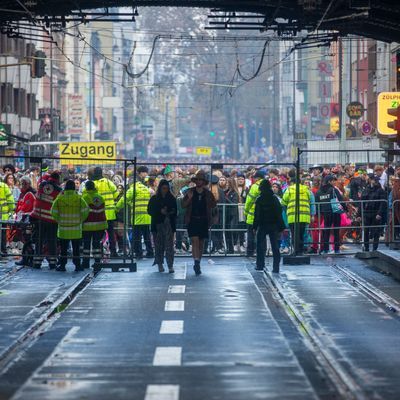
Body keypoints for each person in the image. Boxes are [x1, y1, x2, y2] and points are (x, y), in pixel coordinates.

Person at [182, 170, 217, 275]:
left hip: (204, 219)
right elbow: (183, 205)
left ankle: (198, 261)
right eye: (197, 179)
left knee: (201, 243)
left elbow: (213, 205)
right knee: (194, 241)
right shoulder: (190, 191)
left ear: (204, 181)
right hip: (192, 219)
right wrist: (190, 198)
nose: (198, 181)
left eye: (200, 180)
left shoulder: (208, 193)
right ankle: (196, 261)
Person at [51, 180, 89, 272]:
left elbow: (53, 211)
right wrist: (80, 220)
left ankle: (62, 265)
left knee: (63, 249)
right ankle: (77, 265)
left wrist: (59, 220)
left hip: (63, 228)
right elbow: (86, 210)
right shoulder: (79, 198)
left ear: (65, 187)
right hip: (76, 228)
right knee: (76, 249)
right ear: (74, 188)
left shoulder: (59, 199)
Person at [116, 169, 153, 259]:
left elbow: (123, 200)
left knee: (137, 237)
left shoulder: (132, 189)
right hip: (147, 217)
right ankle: (150, 252)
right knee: (147, 236)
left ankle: (139, 254)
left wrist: (116, 208)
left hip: (137, 218)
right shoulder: (145, 188)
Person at [30, 171, 61, 269]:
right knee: (52, 241)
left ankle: (37, 263)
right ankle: (52, 263)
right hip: (51, 219)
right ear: (58, 179)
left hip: (39, 217)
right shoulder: (59, 189)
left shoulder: (42, 185)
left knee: (39, 240)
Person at [253, 180, 285, 273]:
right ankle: (276, 268)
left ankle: (260, 265)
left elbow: (257, 215)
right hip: (274, 225)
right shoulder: (274, 198)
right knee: (275, 246)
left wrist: (254, 226)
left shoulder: (259, 199)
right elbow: (279, 212)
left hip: (262, 225)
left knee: (260, 246)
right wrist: (281, 226)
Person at [147, 179, 177, 273]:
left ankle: (170, 265)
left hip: (168, 225)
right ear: (160, 188)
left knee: (169, 247)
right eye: (164, 188)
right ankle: (160, 264)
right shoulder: (154, 199)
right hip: (157, 225)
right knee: (159, 246)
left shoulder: (171, 198)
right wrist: (160, 212)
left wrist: (169, 212)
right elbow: (150, 211)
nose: (165, 190)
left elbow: (175, 211)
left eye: (167, 188)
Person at [89, 167, 118, 257]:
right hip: (110, 212)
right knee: (111, 233)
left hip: (98, 212)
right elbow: (116, 193)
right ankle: (113, 252)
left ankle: (98, 253)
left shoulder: (93, 183)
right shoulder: (108, 182)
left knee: (98, 234)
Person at [281, 170, 312, 255]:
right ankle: (301, 251)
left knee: (294, 234)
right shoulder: (306, 189)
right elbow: (309, 199)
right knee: (301, 234)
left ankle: (296, 251)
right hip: (304, 216)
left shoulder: (289, 189)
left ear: (292, 183)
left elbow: (284, 201)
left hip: (293, 216)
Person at [315, 175, 346, 254]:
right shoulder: (333, 189)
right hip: (335, 211)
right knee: (336, 231)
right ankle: (336, 249)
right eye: (333, 181)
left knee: (326, 231)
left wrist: (319, 213)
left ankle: (326, 249)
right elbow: (340, 199)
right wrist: (345, 209)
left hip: (325, 213)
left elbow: (316, 204)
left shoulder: (318, 191)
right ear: (329, 181)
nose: (334, 182)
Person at [81, 180, 108, 271]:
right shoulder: (100, 197)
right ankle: (97, 262)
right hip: (100, 225)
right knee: (97, 245)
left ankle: (85, 263)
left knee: (86, 246)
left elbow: (82, 212)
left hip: (87, 226)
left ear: (86, 188)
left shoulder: (84, 197)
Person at [361, 174, 387, 251]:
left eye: (375, 180)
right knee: (366, 231)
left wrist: (379, 213)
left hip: (376, 213)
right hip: (367, 212)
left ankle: (375, 248)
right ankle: (366, 247)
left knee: (376, 231)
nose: (374, 181)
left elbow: (383, 203)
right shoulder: (366, 189)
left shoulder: (380, 190)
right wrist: (359, 214)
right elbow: (362, 201)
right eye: (373, 180)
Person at [15, 176, 36, 267]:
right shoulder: (22, 194)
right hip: (23, 220)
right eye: (22, 183)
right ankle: (27, 258)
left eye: (25, 183)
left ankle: (28, 259)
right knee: (26, 239)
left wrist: (20, 214)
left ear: (29, 184)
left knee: (28, 239)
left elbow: (26, 207)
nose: (23, 185)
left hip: (28, 220)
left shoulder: (30, 194)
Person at [244, 170, 265, 257]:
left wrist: (246, 211)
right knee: (262, 235)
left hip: (252, 215)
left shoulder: (254, 186)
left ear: (257, 178)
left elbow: (249, 201)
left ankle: (250, 252)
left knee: (251, 235)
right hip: (264, 216)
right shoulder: (267, 186)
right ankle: (262, 251)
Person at [224, 177, 239, 254]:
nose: (226, 184)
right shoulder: (226, 192)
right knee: (227, 233)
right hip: (226, 215)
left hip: (232, 215)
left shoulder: (234, 193)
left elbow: (234, 204)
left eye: (227, 183)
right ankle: (229, 248)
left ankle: (231, 249)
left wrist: (226, 199)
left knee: (230, 232)